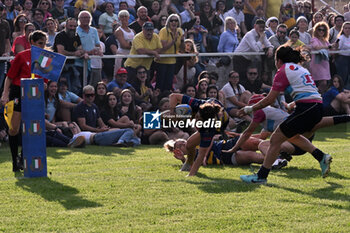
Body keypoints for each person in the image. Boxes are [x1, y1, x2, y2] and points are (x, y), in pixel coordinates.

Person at [239, 46, 332, 184]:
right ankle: (321, 156)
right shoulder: (301, 69)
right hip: (315, 106)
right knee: (292, 136)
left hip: (307, 107)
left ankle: (261, 177)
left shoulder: (283, 70)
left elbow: (270, 99)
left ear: (279, 60)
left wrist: (250, 108)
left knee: (275, 139)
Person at [0, 30, 47, 172]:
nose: (43, 46)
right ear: (32, 42)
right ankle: (15, 160)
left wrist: (45, 84)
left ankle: (23, 157)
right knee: (14, 128)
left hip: (34, 96)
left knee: (33, 129)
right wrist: (5, 94)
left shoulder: (44, 59)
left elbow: (45, 80)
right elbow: (9, 76)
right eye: (40, 43)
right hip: (18, 92)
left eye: (44, 44)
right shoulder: (22, 56)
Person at [169, 93, 230, 176]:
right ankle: (188, 164)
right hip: (211, 111)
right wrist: (172, 113)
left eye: (199, 119)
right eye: (196, 117)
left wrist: (191, 175)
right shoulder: (198, 104)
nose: (196, 120)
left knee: (200, 149)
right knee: (189, 145)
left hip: (219, 126)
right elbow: (173, 96)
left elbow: (201, 155)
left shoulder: (208, 129)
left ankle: (191, 170)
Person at [124, 21, 163, 87]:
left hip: (146, 68)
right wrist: (153, 52)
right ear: (143, 30)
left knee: (145, 87)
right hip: (133, 67)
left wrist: (150, 52)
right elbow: (140, 51)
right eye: (147, 30)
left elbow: (160, 49)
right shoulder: (138, 37)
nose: (149, 32)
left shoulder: (156, 36)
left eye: (151, 30)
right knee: (131, 87)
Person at [53, 18, 85, 95]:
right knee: (63, 89)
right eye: (70, 26)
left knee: (74, 89)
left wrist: (81, 52)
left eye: (74, 26)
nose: (72, 28)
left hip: (72, 67)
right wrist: (74, 53)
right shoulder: (60, 36)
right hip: (61, 68)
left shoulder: (76, 36)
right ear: (66, 26)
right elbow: (61, 52)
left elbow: (80, 49)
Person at [155, 13, 184, 92]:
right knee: (160, 83)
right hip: (162, 61)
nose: (174, 22)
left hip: (172, 61)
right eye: (172, 20)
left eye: (176, 20)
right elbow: (163, 47)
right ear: (168, 22)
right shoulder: (164, 31)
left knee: (168, 84)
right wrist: (173, 41)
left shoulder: (180, 31)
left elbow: (182, 49)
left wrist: (182, 41)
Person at [309, 22, 333, 94]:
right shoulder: (314, 39)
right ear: (316, 30)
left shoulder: (326, 41)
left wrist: (335, 46)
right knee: (322, 82)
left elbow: (331, 50)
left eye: (323, 30)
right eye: (319, 30)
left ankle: (320, 96)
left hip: (325, 63)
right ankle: (316, 94)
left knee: (324, 83)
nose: (321, 31)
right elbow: (316, 47)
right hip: (317, 64)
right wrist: (328, 47)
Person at [334, 21, 350, 89]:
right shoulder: (341, 38)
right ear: (343, 29)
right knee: (342, 76)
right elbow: (337, 49)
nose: (347, 30)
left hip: (349, 58)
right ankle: (341, 90)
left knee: (347, 77)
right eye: (346, 28)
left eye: (349, 28)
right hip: (342, 59)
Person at [0, 4, 11, 90]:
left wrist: (7, 52)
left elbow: (7, 42)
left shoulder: (5, 24)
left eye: (0, 9)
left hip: (1, 60)